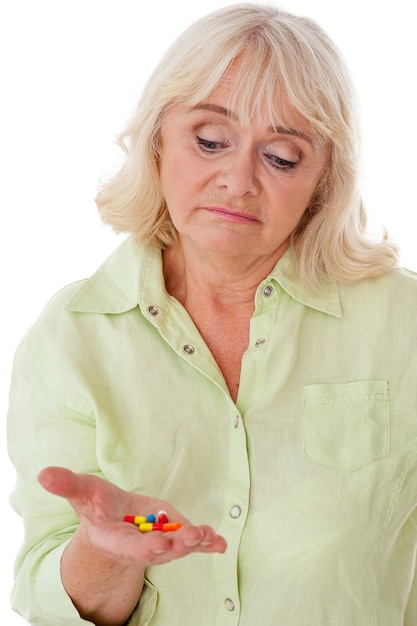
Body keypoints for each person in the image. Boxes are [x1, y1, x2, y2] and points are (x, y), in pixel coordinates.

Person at [7, 3, 417, 625]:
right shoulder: (73, 336)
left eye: (281, 156)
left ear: (323, 180)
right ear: (158, 141)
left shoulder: (402, 322)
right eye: (210, 141)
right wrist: (104, 550)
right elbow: (47, 595)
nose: (237, 179)